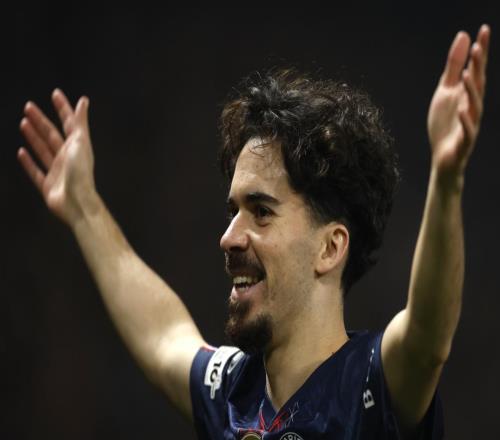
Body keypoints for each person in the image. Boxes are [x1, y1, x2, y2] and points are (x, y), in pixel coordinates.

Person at [17, 25, 490, 439]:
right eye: (233, 211)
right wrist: (85, 209)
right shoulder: (231, 391)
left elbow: (428, 335)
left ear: (330, 247)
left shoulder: (370, 383)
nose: (229, 237)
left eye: (261, 212)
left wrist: (447, 181)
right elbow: (162, 336)